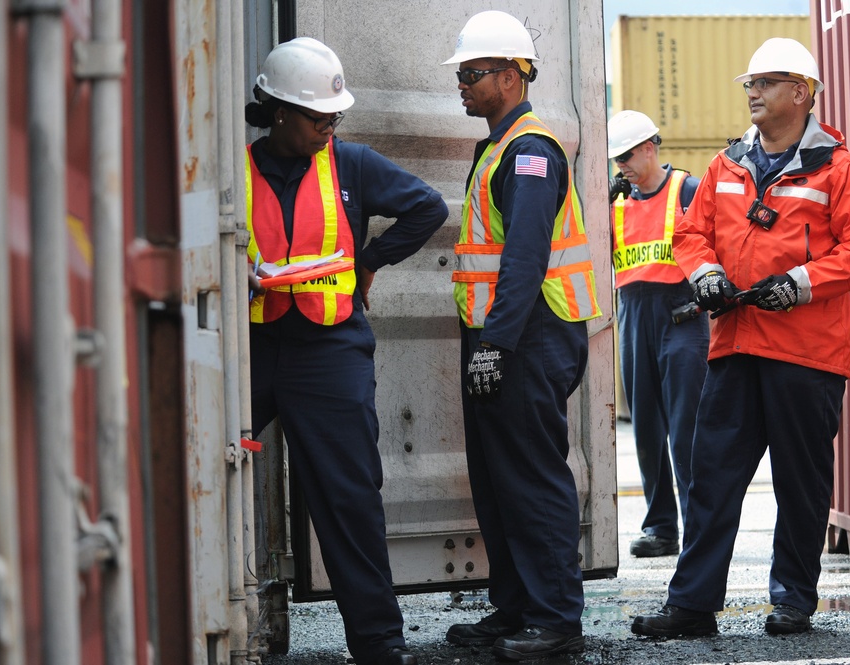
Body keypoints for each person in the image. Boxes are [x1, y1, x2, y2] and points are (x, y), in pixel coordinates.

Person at [632, 37, 850, 638]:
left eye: (765, 82)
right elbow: (691, 234)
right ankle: (692, 605)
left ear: (801, 93)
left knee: (801, 484)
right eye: (750, 82)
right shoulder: (727, 165)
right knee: (712, 477)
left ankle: (793, 600)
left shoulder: (840, 170)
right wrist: (708, 275)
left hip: (807, 354)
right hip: (735, 345)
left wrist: (797, 284)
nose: (752, 91)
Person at [244, 38, 447, 665]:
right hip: (250, 349)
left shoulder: (351, 164)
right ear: (278, 110)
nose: (329, 127)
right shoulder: (232, 169)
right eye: (317, 117)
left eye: (335, 117)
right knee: (204, 475)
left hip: (329, 352)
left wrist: (369, 263)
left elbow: (426, 208)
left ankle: (380, 645)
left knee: (349, 499)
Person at [440, 10, 601, 661]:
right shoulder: (502, 146)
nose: (463, 83)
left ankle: (555, 617)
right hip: (506, 338)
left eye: (472, 73)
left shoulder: (529, 151)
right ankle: (514, 608)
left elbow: (526, 258)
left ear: (509, 75)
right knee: (499, 480)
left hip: (527, 339)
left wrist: (494, 345)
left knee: (531, 480)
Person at [607, 110, 709, 558]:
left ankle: (698, 527)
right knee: (645, 428)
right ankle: (661, 528)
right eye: (615, 160)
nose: (620, 166)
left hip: (681, 317)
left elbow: (717, 246)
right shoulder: (613, 201)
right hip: (633, 316)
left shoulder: (687, 190)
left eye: (625, 156)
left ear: (650, 147)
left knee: (686, 429)